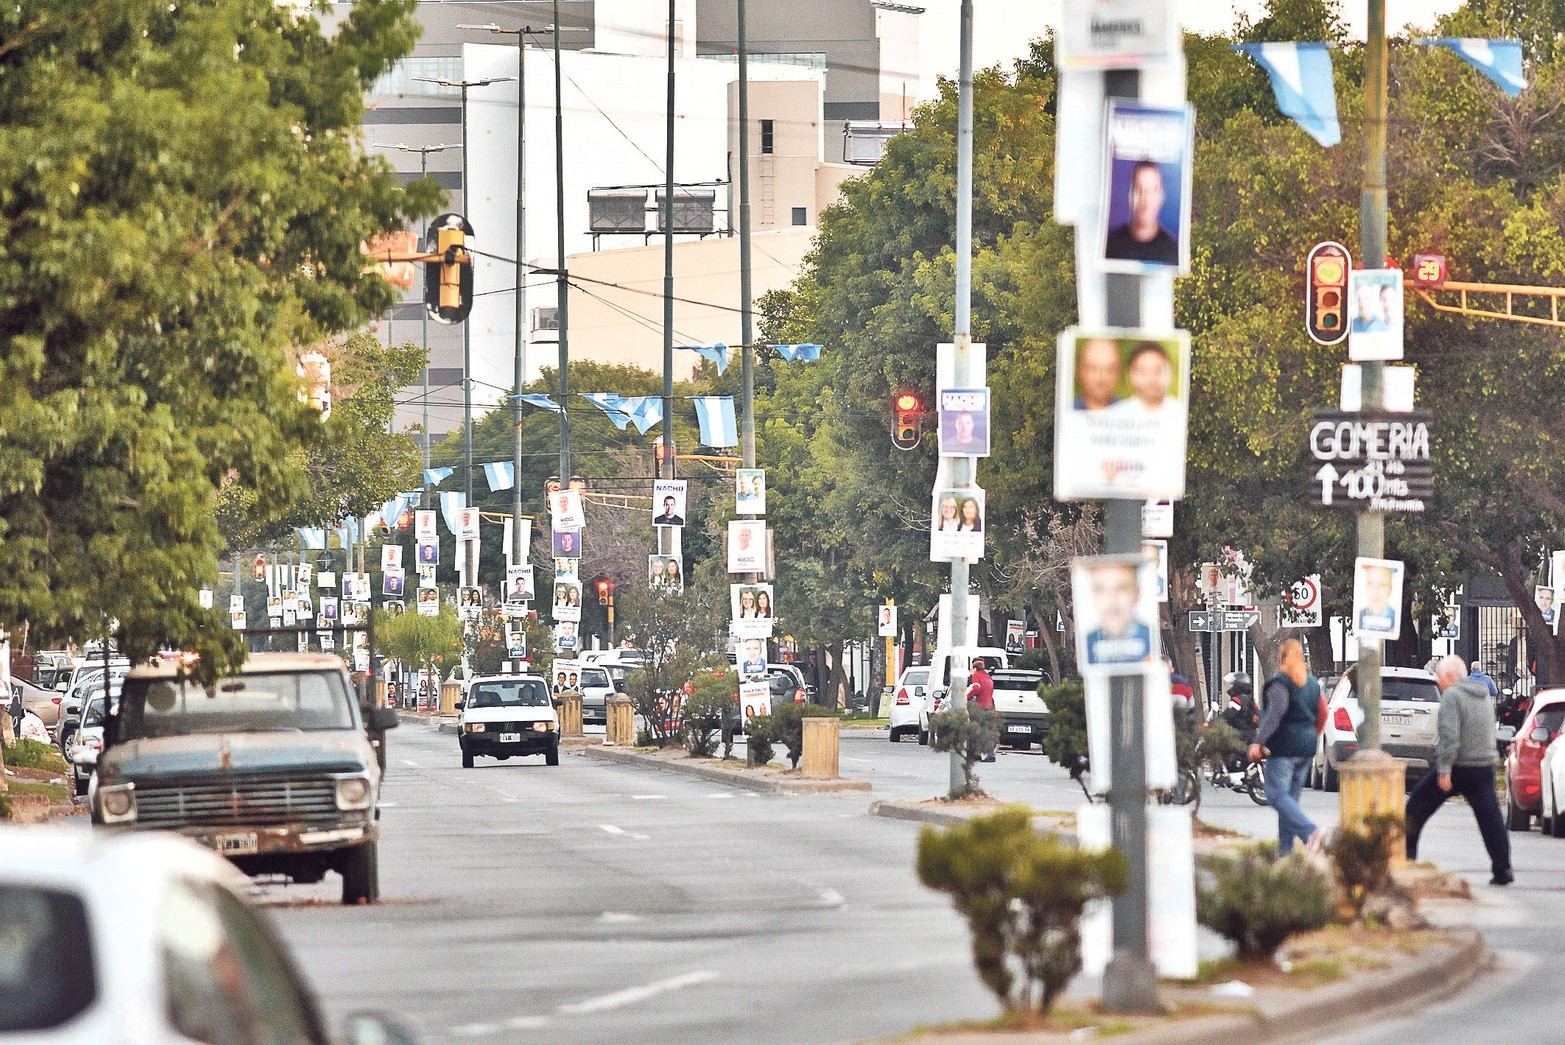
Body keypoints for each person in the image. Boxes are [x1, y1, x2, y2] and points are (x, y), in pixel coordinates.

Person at [1406, 655, 1513, 886]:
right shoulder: (1483, 695)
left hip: (1457, 767)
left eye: (1439, 675)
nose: (1437, 680)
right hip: (1483, 767)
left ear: (1450, 677)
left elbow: (1449, 736)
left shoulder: (1453, 697)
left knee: (1415, 808)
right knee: (1491, 818)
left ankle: (1406, 859)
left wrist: (1444, 770)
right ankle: (1503, 868)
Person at [1248, 639, 1324, 856]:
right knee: (1289, 802)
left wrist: (1258, 741)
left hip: (1283, 748)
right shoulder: (1312, 683)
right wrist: (1310, 735)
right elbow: (1323, 713)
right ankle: (1285, 853)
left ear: (1280, 659)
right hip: (1306, 748)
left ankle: (1311, 832)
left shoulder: (1281, 683)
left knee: (1275, 794)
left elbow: (1274, 715)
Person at [1105, 160, 1178, 265]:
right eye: (1139, 190)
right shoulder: (1110, 246)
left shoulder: (1173, 251)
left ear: (1161, 196)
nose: (1145, 199)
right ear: (1130, 194)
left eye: (1151, 191)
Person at [1084, 562, 1152, 665]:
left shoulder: (1149, 638)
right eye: (1101, 589)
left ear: (1136, 593)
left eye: (1121, 588)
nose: (1111, 599)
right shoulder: (1089, 640)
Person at [1108, 342, 1181, 420]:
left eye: (1157, 370)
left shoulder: (1180, 413)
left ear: (1170, 372)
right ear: (1129, 375)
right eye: (1143, 372)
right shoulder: (1115, 415)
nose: (1151, 379)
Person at [1074, 338, 1122, 411]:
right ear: (1079, 371)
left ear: (1118, 373)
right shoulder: (1065, 409)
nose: (1101, 377)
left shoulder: (1128, 411)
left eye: (1109, 370)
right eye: (1093, 369)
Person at [966, 657, 996, 762]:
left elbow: (976, 688)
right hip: (988, 706)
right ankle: (990, 754)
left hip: (979, 707)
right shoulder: (988, 677)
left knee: (975, 731)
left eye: (971, 668)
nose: (970, 670)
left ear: (975, 668)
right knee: (986, 732)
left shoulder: (976, 676)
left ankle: (975, 753)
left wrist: (966, 697)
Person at [1355, 562, 1397, 635]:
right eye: (1370, 584)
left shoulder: (1395, 618)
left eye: (1382, 585)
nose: (1375, 591)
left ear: (1390, 589)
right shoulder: (1359, 616)